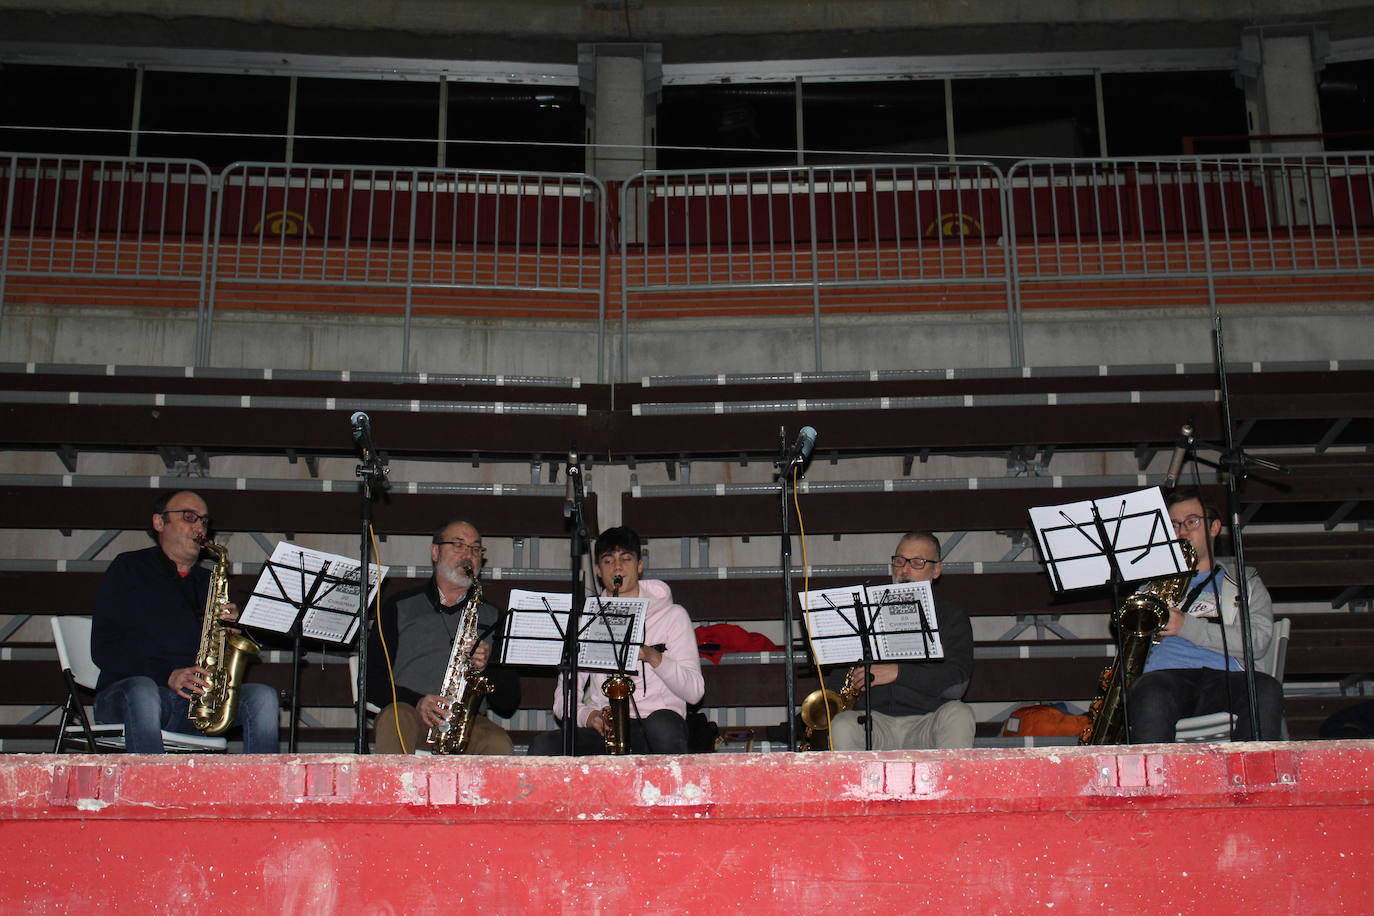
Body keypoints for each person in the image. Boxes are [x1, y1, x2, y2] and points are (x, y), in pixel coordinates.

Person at [91, 490, 280, 753]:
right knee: (144, 690)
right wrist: (167, 674)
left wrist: (235, 630)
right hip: (130, 695)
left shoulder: (208, 583)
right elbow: (104, 648)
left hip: (193, 704)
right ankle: (148, 788)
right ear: (159, 523)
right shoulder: (129, 568)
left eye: (204, 521)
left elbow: (215, 656)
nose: (199, 526)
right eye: (189, 517)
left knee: (263, 697)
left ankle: (263, 791)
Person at [527, 527, 704, 755]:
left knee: (663, 729)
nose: (617, 568)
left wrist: (652, 656)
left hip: (657, 723)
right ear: (598, 571)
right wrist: (588, 716)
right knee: (544, 746)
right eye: (608, 561)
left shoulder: (673, 615)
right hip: (607, 727)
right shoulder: (587, 620)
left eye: (626, 559)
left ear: (640, 565)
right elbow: (563, 699)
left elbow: (695, 692)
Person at [1126, 487, 1284, 742]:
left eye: (1192, 522)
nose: (1183, 531)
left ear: (1213, 528)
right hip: (1165, 681)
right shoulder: (1151, 587)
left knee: (1266, 690)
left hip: (1228, 680)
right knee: (1149, 693)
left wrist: (1186, 626)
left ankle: (1257, 779)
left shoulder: (1245, 582)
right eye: (1175, 525)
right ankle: (1155, 781)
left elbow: (1257, 641)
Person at [367, 519, 519, 754]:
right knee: (396, 718)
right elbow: (370, 680)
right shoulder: (397, 606)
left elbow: (509, 703)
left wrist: (487, 667)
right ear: (435, 551)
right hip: (411, 715)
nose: (468, 555)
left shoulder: (494, 615)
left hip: (466, 725)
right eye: (458, 546)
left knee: (498, 743)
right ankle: (391, 793)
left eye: (475, 549)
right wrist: (417, 701)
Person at [824, 531, 976, 751]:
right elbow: (838, 684)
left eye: (917, 563)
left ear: (936, 570)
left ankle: (952, 786)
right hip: (874, 724)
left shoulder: (952, 617)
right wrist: (855, 679)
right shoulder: (864, 614)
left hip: (929, 721)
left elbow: (956, 685)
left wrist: (897, 672)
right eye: (899, 561)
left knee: (960, 714)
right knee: (842, 724)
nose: (904, 570)